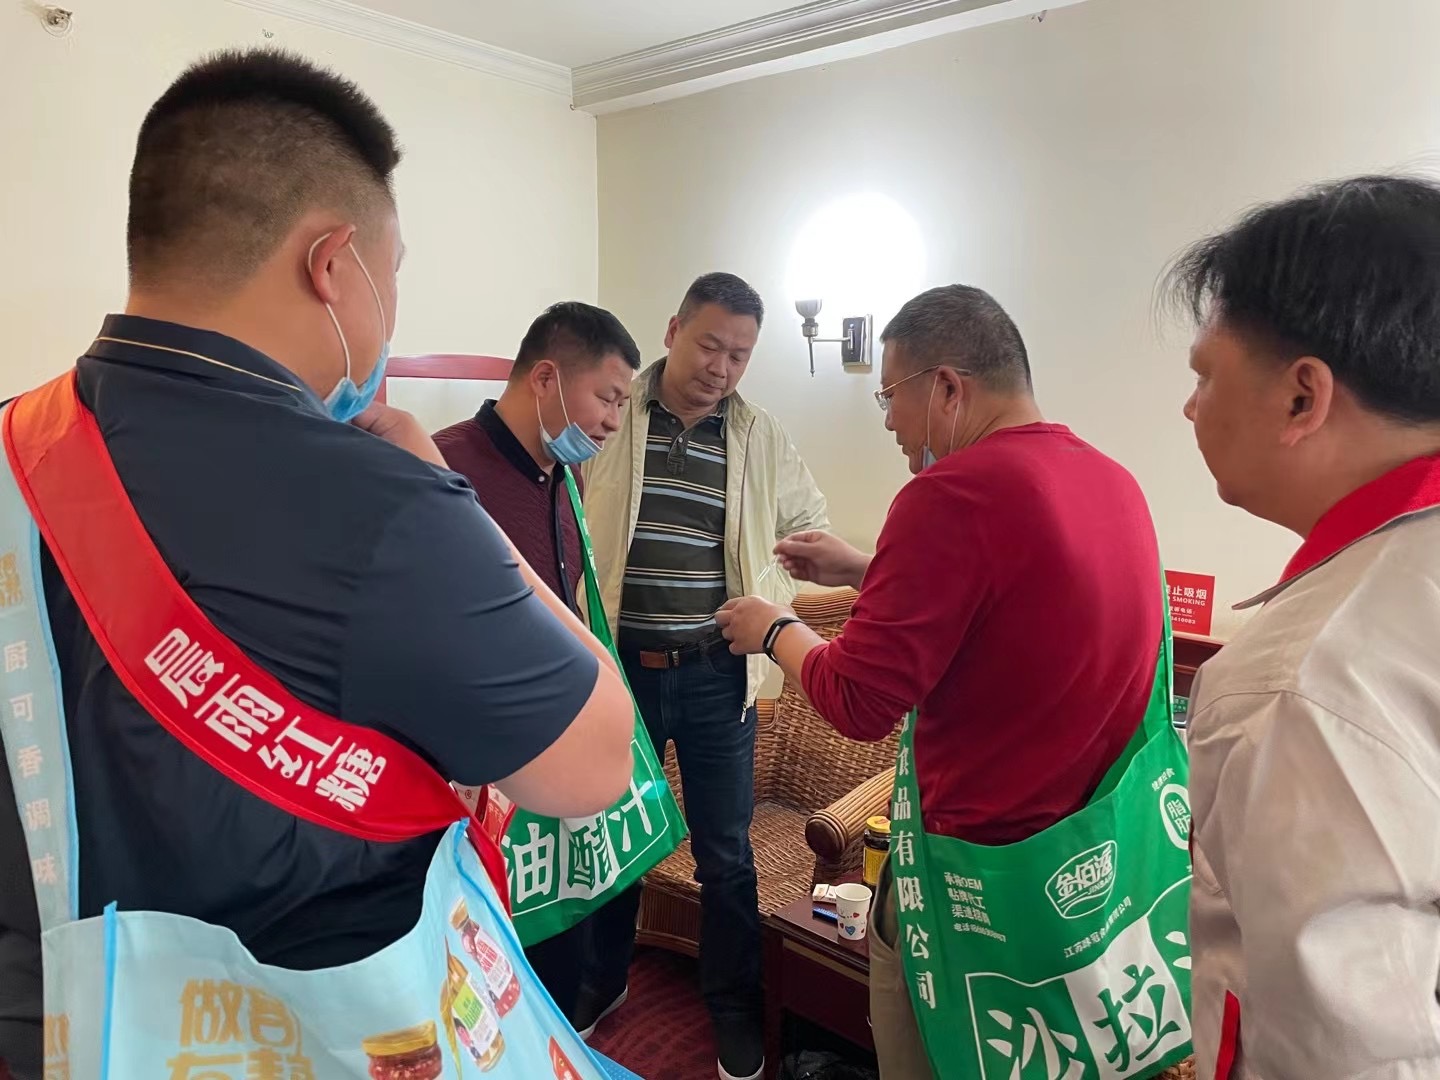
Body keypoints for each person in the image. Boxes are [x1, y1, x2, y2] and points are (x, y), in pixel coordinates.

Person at [0, 49, 634, 1079]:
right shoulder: (388, 506)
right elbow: (594, 763)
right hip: (302, 1034)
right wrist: (453, 499)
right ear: (332, 264)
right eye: (394, 272)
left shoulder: (12, 447)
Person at [717, 285, 1164, 1077]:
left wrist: (774, 629)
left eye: (891, 394)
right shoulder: (1114, 483)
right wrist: (868, 569)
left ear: (948, 388)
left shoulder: (949, 495)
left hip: (973, 886)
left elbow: (858, 699)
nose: (889, 421)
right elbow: (1015, 601)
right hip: (1084, 876)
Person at [1166, 175, 1440, 1079]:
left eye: (1205, 374)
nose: (1191, 407)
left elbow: (1344, 1052)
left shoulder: (1301, 681)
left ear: (1301, 398)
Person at [583, 272, 829, 1080]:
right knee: (612, 837)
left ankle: (733, 1011)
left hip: (717, 676)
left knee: (725, 854)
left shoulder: (759, 434)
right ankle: (603, 981)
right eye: (710, 345)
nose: (722, 368)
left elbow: (810, 528)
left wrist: (766, 594)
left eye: (740, 355)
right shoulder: (617, 412)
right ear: (673, 331)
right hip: (620, 671)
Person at [433, 300, 642, 1031]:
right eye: (606, 398)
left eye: (622, 403)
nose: (613, 421)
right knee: (486, 951)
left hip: (556, 746)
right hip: (477, 759)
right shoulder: (446, 465)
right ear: (547, 379)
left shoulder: (565, 477)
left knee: (560, 933)